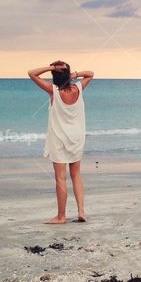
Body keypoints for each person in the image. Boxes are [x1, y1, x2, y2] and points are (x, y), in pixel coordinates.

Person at [27, 61, 94, 224]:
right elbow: (91, 73)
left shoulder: (53, 91)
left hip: (59, 139)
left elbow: (31, 73)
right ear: (68, 74)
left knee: (60, 178)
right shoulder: (78, 88)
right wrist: (75, 74)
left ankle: (61, 216)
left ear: (55, 75)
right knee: (76, 174)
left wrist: (51, 68)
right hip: (76, 137)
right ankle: (81, 211)